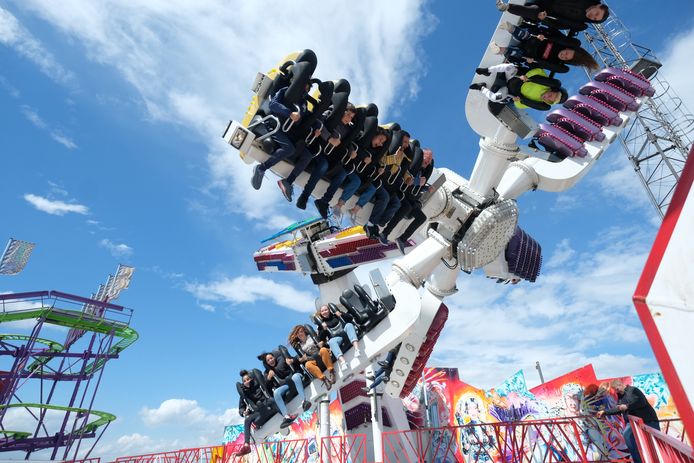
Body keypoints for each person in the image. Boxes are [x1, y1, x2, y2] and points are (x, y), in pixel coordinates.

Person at [251, 84, 322, 192]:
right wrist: (289, 113)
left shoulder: (303, 103)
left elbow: (308, 117)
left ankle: (288, 182)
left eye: (308, 89)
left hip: (288, 132)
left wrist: (316, 128)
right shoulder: (285, 90)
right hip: (274, 125)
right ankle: (261, 169)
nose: (305, 90)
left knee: (307, 155)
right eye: (305, 86)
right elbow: (273, 104)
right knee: (289, 148)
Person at [291, 103, 361, 212]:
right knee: (323, 165)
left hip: (327, 154)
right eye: (348, 115)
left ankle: (323, 201)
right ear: (342, 112)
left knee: (336, 170)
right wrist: (328, 137)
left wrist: (352, 151)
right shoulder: (329, 114)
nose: (349, 119)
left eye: (352, 117)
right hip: (314, 146)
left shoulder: (346, 129)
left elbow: (348, 142)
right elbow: (319, 122)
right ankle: (305, 195)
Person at [379, 147, 435, 252]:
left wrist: (427, 187)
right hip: (399, 191)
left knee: (421, 217)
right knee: (406, 207)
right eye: (426, 160)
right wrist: (417, 181)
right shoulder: (411, 164)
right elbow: (405, 179)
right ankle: (385, 232)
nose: (427, 163)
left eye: (429, 162)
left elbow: (417, 186)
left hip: (410, 197)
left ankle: (402, 239)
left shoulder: (422, 172)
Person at [596, 380, 660, 463]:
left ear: (621, 384)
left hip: (648, 420)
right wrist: (605, 412)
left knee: (654, 443)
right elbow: (618, 409)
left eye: (616, 388)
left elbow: (641, 402)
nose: (616, 391)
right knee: (628, 436)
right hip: (633, 423)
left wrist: (627, 406)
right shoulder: (621, 396)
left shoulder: (633, 390)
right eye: (615, 390)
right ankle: (639, 461)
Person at [492, 23, 599, 73]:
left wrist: (531, 62)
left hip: (528, 52)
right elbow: (552, 30)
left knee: (518, 53)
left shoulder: (557, 63)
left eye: (566, 58)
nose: (564, 55)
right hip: (532, 39)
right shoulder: (560, 42)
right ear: (567, 48)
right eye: (566, 53)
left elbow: (541, 64)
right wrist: (544, 35)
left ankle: (500, 50)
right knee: (526, 35)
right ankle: (510, 28)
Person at [470, 65, 568, 111]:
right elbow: (539, 70)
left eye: (550, 100)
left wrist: (517, 101)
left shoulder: (538, 102)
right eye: (552, 95)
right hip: (514, 77)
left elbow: (520, 106)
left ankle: (481, 87)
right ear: (553, 90)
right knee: (509, 67)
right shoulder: (545, 83)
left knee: (495, 98)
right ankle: (487, 70)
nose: (549, 98)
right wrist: (527, 77)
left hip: (508, 89)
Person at [496, 0, 609, 31]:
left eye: (595, 19)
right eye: (596, 14)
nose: (593, 17)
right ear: (598, 5)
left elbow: (560, 25)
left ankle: (506, 7)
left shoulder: (580, 24)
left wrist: (545, 19)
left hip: (542, 9)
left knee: (535, 12)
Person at [235, 369, 275, 456]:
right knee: (247, 420)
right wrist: (243, 412)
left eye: (248, 379)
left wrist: (269, 377)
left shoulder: (258, 384)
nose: (246, 382)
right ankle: (246, 445)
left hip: (267, 406)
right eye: (244, 381)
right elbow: (241, 408)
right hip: (258, 412)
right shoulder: (244, 393)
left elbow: (267, 384)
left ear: (251, 379)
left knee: (265, 402)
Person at [261, 351, 306, 428]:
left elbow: (296, 359)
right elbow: (267, 387)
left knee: (295, 377)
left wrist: (291, 361)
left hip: (295, 377)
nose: (270, 360)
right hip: (286, 385)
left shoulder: (283, 359)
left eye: (271, 358)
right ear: (267, 363)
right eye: (268, 360)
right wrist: (268, 378)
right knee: (276, 393)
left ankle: (304, 401)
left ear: (274, 357)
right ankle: (286, 416)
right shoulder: (268, 372)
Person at [288, 324, 335, 389]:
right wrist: (301, 359)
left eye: (301, 332)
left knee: (323, 350)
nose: (300, 334)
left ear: (304, 332)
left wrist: (322, 342)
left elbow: (322, 338)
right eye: (298, 333)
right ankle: (324, 379)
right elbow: (298, 358)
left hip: (321, 353)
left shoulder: (311, 336)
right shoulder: (300, 345)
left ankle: (332, 372)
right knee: (307, 364)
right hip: (313, 359)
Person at [314, 305, 360, 370]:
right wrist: (323, 329)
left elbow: (350, 318)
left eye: (326, 310)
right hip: (338, 338)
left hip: (345, 332)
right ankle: (343, 362)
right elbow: (321, 339)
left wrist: (342, 314)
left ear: (329, 310)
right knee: (331, 341)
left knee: (349, 325)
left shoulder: (336, 315)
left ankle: (357, 349)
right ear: (321, 313)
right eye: (322, 311)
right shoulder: (321, 325)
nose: (324, 312)